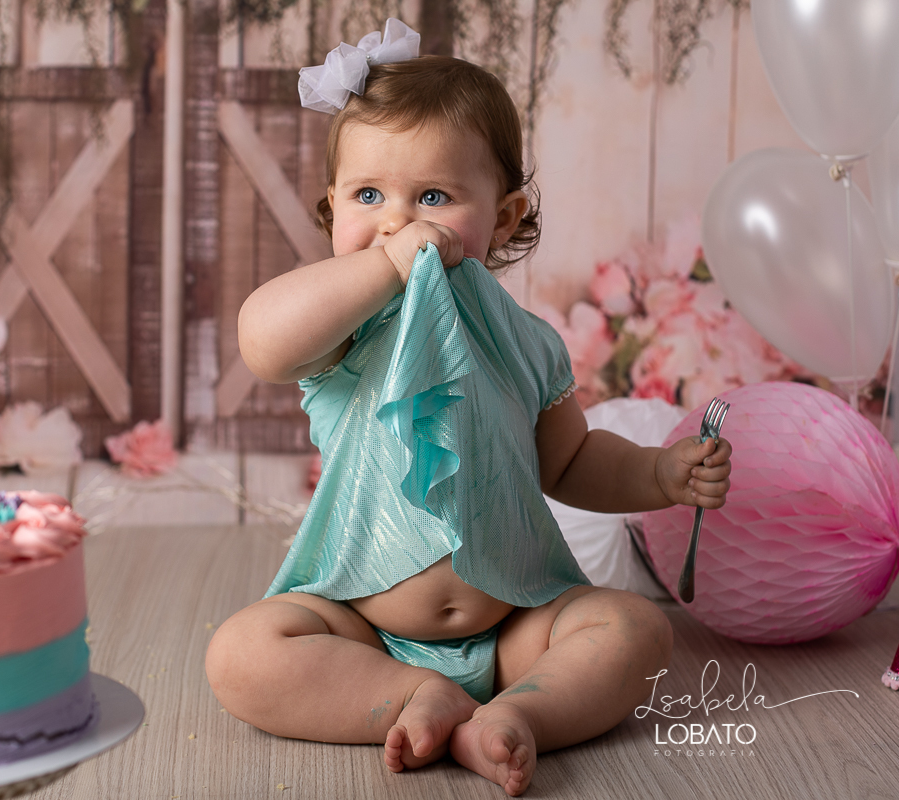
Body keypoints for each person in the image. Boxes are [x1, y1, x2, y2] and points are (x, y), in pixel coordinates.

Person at [205, 19, 732, 797]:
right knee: (242, 654)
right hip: (361, 626)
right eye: (368, 195)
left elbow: (572, 461)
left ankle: (518, 715)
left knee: (635, 630)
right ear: (332, 211)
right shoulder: (345, 331)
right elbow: (262, 339)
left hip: (513, 624)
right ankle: (412, 696)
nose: (397, 220)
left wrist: (659, 474)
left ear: (505, 218)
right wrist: (384, 267)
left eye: (432, 196)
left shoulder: (528, 343)